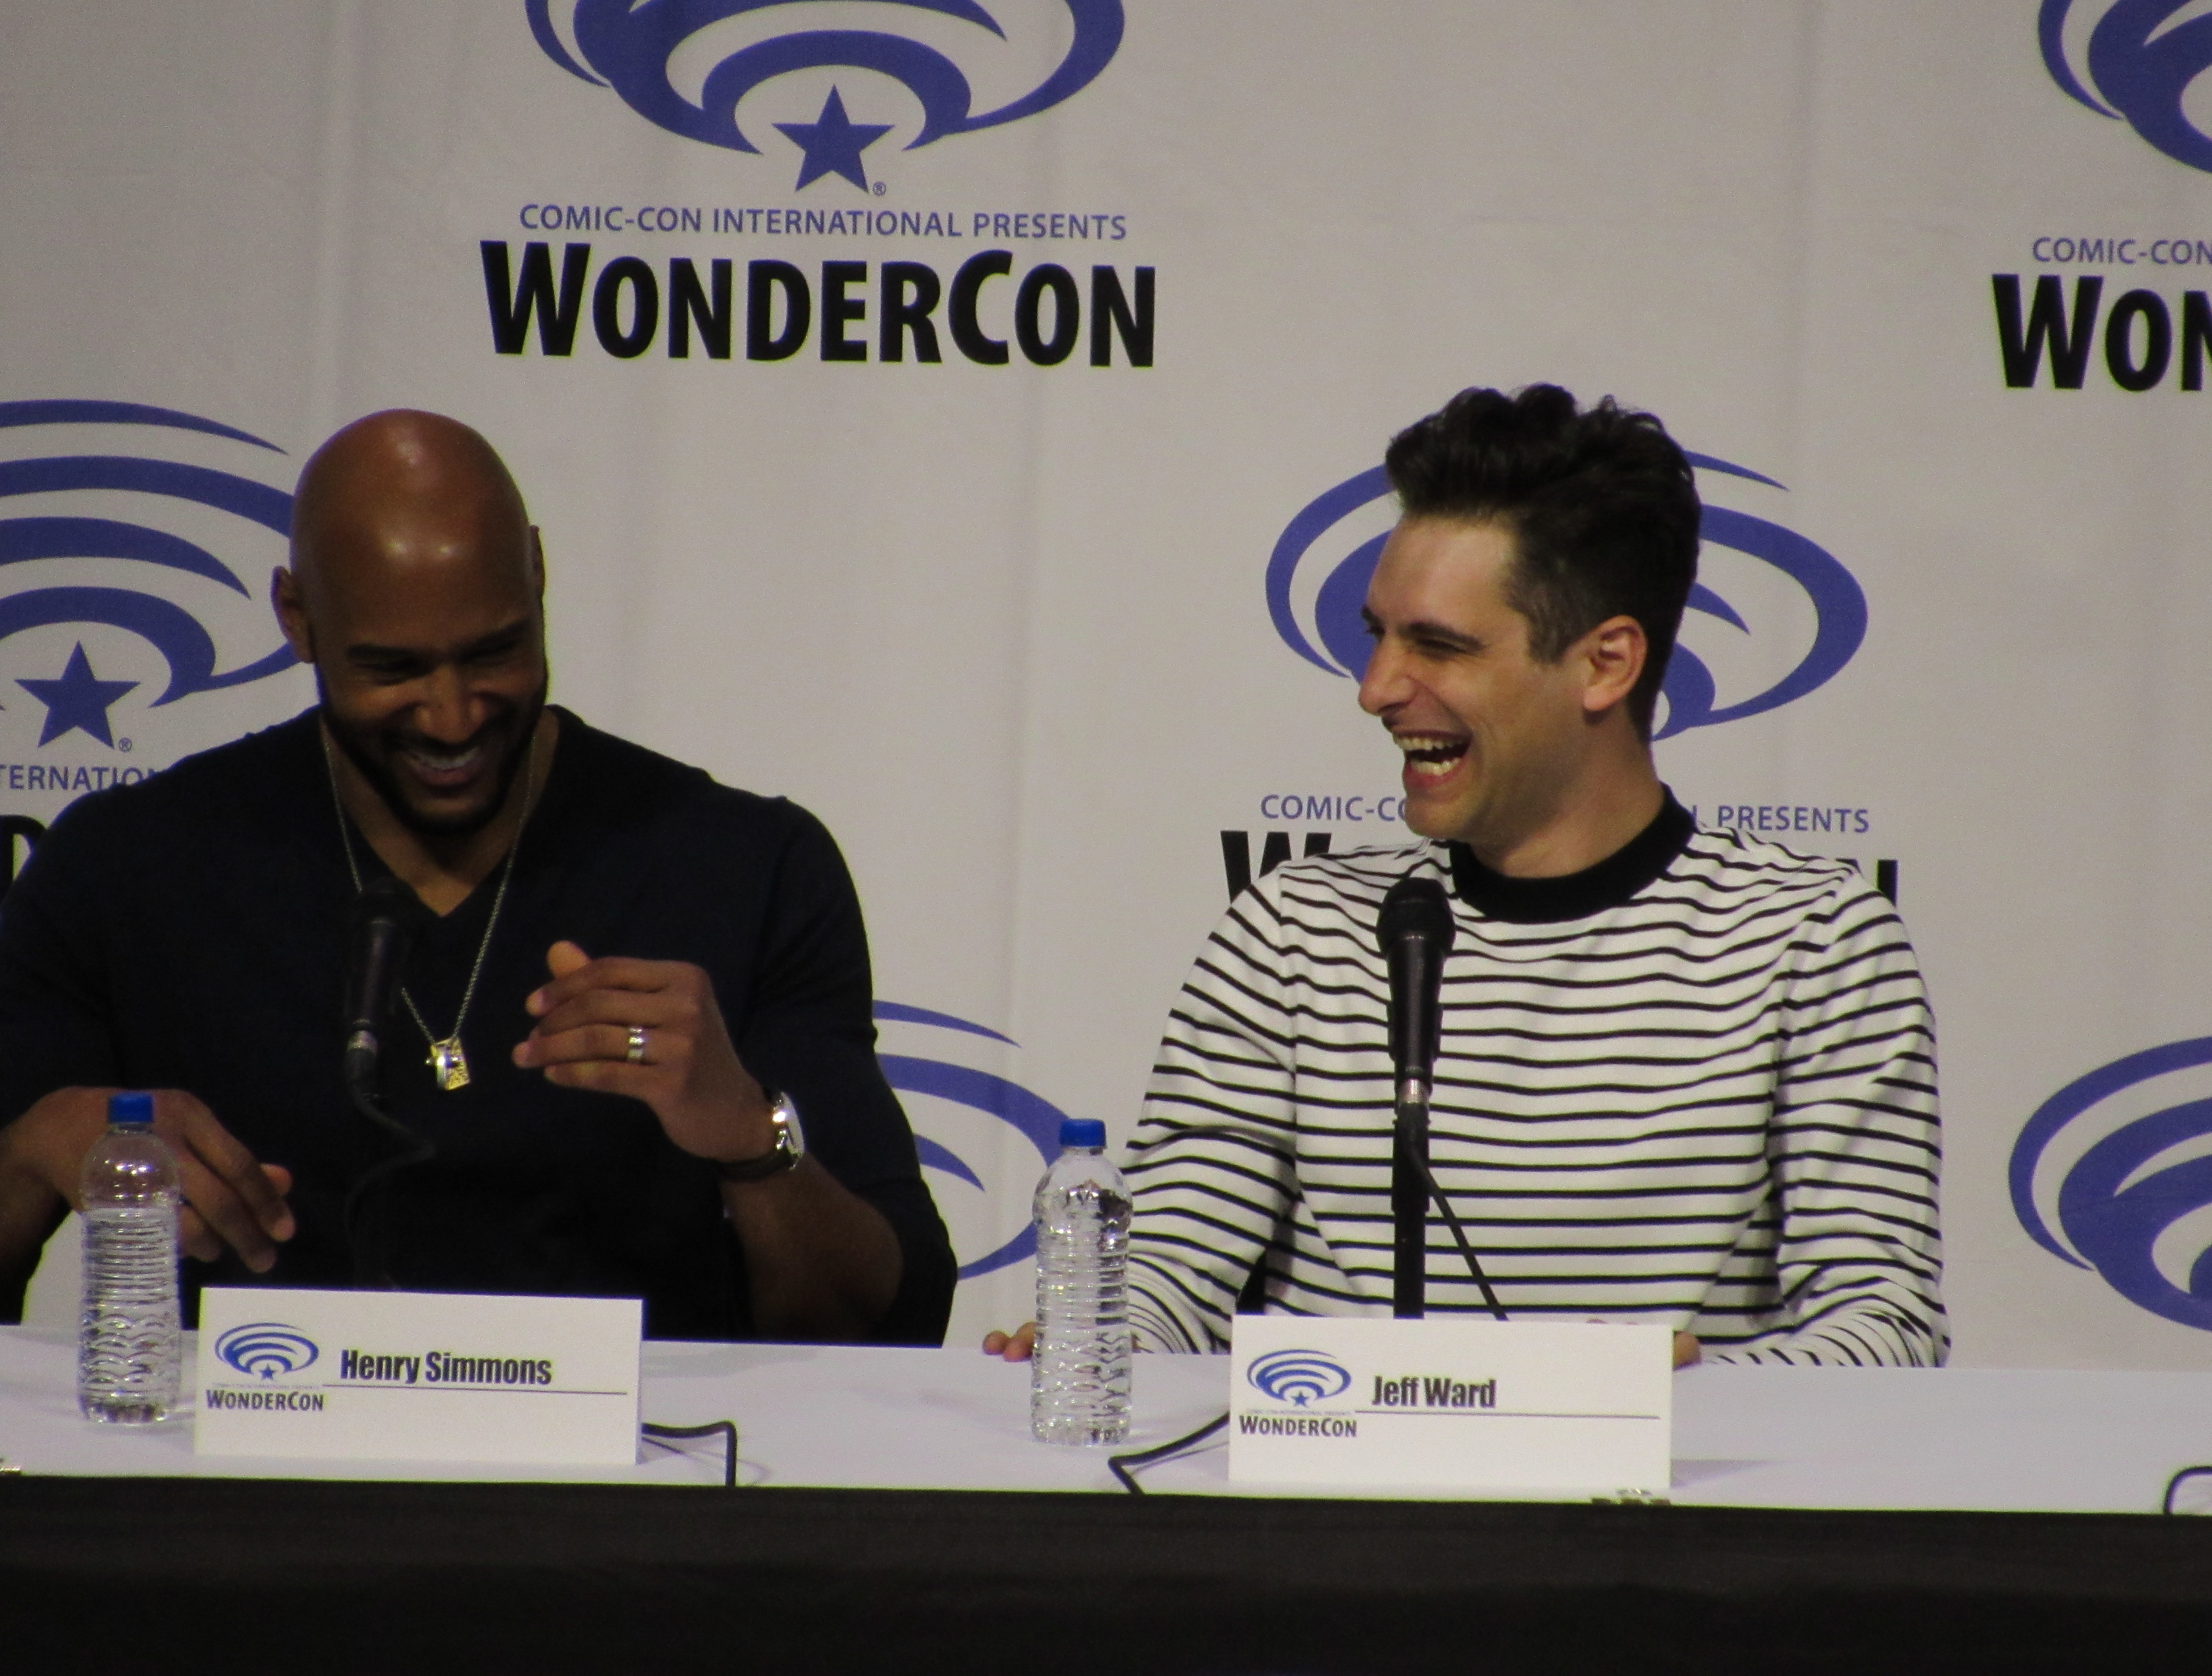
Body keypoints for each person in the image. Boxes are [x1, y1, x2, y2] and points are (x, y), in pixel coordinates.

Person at [990, 384, 1941, 1367]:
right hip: (1331, 1473)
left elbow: (1885, 1335)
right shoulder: (1293, 932)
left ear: (1606, 664)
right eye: (1378, 636)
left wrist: (1621, 1395)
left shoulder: (1816, 944)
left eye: (1439, 646)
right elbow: (1164, 1278)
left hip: (1673, 1474)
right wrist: (1094, 1349)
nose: (1376, 690)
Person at [0, 409, 953, 1343]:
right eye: (394, 670)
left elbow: (891, 1316)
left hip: (643, 1454)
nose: (452, 718)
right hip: (244, 1448)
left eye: (494, 652)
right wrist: (37, 1148)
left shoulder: (746, 866)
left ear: (538, 573)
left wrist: (748, 1136)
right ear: (297, 618)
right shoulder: (127, 866)